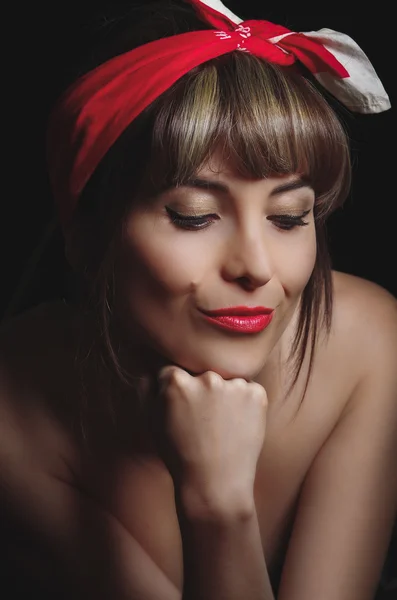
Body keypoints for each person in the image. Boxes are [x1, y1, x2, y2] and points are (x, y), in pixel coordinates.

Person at [1, 1, 396, 598]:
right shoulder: (14, 410)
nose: (256, 268)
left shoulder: (370, 346)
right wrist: (217, 504)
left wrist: (220, 504)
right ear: (88, 232)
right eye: (195, 216)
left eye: (290, 217)